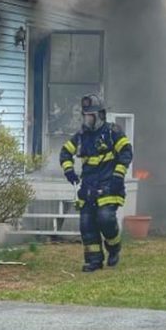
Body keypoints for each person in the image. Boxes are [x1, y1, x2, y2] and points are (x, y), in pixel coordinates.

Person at [59, 94, 133, 272]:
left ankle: (114, 248)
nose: (87, 119)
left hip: (109, 186)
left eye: (90, 116)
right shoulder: (81, 136)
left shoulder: (112, 132)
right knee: (86, 225)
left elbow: (126, 153)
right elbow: (64, 153)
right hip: (88, 188)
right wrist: (69, 170)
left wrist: (118, 176)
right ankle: (94, 260)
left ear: (100, 115)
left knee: (105, 219)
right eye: (85, 116)